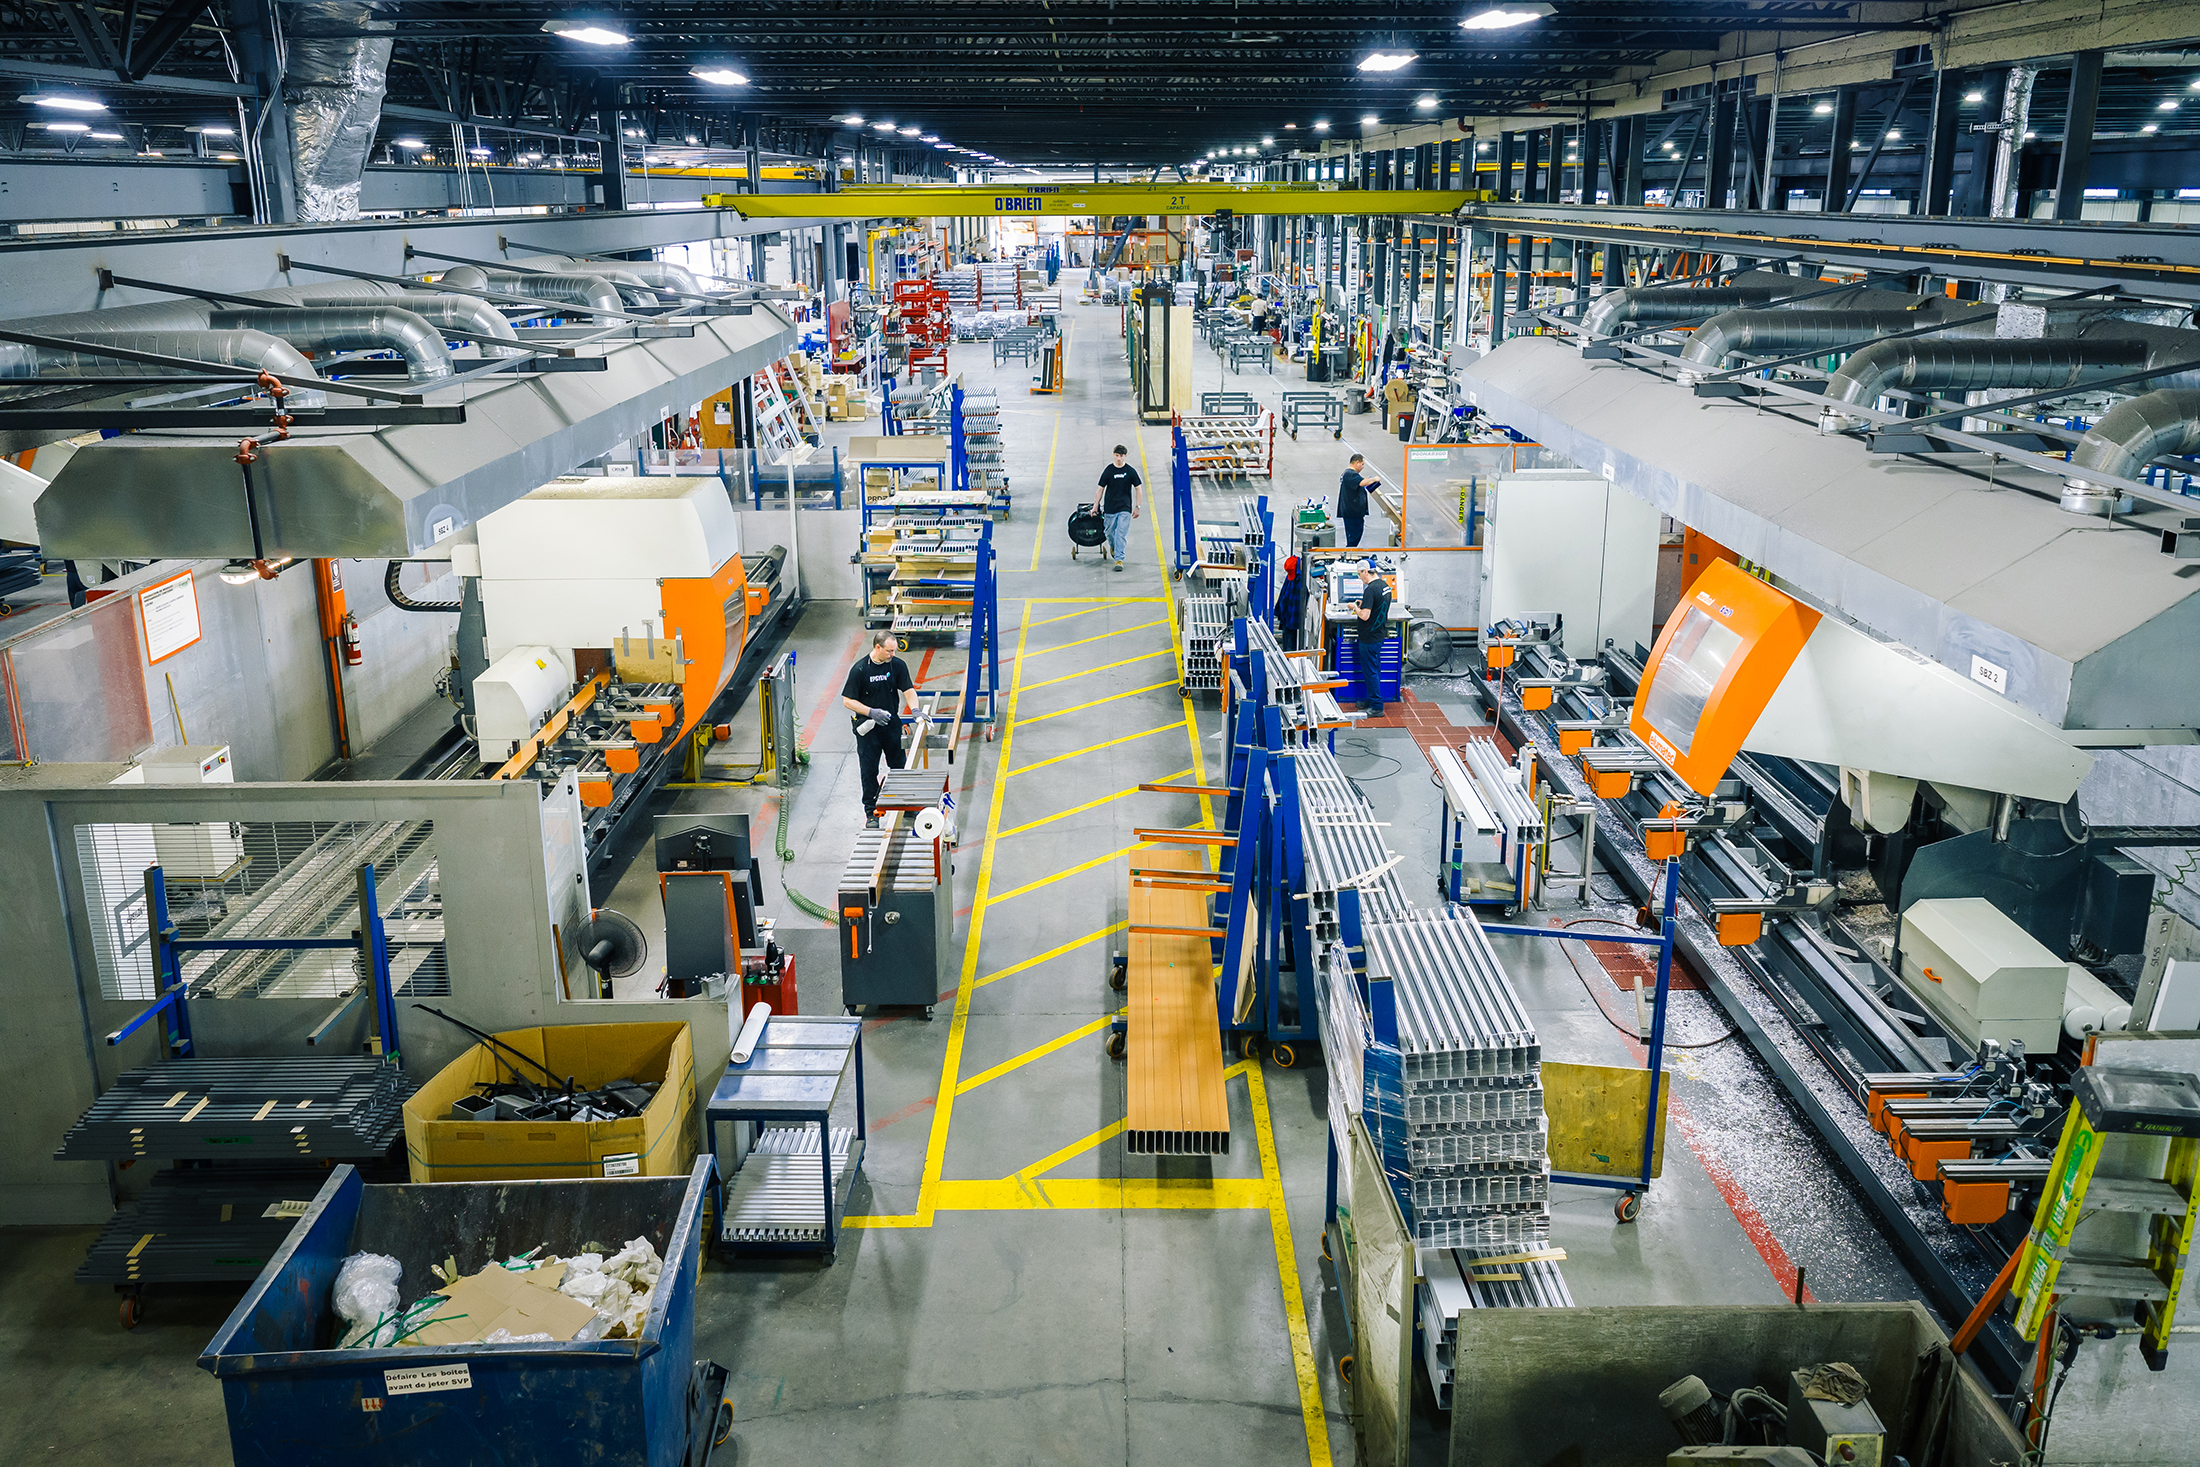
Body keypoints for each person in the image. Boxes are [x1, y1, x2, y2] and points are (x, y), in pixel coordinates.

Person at [840, 630, 916, 828]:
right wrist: (871, 712)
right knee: (869, 770)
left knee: (899, 765)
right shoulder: (860, 670)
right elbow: (848, 701)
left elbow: (908, 689)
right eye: (889, 651)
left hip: (890, 725)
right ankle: (871, 812)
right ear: (877, 647)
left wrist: (915, 708)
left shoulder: (897, 665)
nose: (893, 655)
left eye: (894, 651)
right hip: (868, 729)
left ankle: (905, 805)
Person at [1353, 567, 1394, 719]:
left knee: (1370, 671)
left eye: (1359, 574)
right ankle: (1371, 698)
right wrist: (1365, 603)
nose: (1360, 578)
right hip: (1378, 634)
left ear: (1365, 571)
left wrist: (1355, 608)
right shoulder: (1384, 586)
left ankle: (1377, 707)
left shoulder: (1370, 589)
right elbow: (1377, 606)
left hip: (1369, 637)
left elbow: (1364, 616)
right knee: (1374, 670)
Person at [1096, 444, 1142, 571]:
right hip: (1110, 508)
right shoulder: (1109, 470)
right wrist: (1095, 506)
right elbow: (1100, 489)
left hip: (1124, 508)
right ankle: (1113, 546)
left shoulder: (1130, 471)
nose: (1119, 458)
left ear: (1125, 456)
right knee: (1109, 533)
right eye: (1117, 456)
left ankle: (1119, 559)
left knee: (1121, 533)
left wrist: (1137, 506)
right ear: (1113, 455)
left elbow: (1138, 488)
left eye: (1121, 456)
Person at [1337, 453, 1380, 548]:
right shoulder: (1350, 474)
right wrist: (1374, 479)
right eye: (1362, 464)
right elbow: (1362, 483)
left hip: (1352, 511)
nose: (1363, 467)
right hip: (1352, 512)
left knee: (1355, 534)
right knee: (1354, 535)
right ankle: (1349, 553)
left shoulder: (1350, 474)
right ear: (1357, 462)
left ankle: (1350, 551)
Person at [1274, 555, 1303, 651]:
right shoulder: (1294, 574)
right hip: (1289, 619)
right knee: (1289, 647)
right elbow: (1284, 596)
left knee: (1291, 648)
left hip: (1294, 620)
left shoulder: (1301, 579)